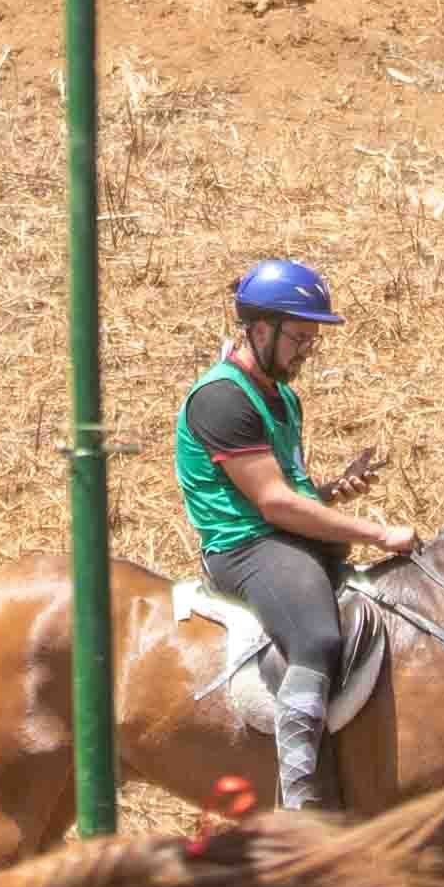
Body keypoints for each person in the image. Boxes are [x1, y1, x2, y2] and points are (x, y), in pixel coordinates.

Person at [176, 260, 394, 816]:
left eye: (311, 341)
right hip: (246, 549)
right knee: (317, 637)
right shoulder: (222, 399)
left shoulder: (282, 397)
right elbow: (272, 504)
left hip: (282, 536)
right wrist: (377, 531)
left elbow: (290, 493)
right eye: (299, 337)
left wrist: (333, 491)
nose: (305, 351)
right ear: (259, 328)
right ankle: (299, 802)